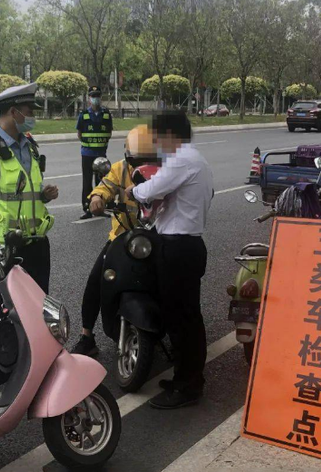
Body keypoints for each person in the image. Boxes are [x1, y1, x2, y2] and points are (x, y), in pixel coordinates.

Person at [126, 111, 214, 409]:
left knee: (181, 319)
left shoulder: (181, 159)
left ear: (170, 135)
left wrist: (133, 190)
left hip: (177, 248)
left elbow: (151, 189)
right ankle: (186, 378)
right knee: (188, 317)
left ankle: (188, 386)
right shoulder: (197, 159)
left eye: (158, 136)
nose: (156, 143)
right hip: (188, 246)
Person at [0, 83, 59, 321]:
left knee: (39, 311)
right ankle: (4, 356)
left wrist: (43, 195)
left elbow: (22, 193)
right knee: (7, 314)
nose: (32, 117)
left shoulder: (30, 145)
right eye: (29, 111)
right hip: (6, 248)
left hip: (38, 244)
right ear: (13, 112)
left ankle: (39, 357)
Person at [71, 125, 157, 356]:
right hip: (122, 236)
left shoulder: (163, 171)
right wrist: (97, 198)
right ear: (128, 156)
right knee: (95, 281)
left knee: (175, 280)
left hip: (155, 237)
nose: (141, 165)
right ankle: (87, 336)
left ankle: (178, 333)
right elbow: (104, 187)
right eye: (137, 159)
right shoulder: (119, 169)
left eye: (147, 159)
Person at [76, 85, 113, 220]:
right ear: (89, 98)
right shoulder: (84, 114)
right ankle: (87, 208)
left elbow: (109, 132)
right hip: (87, 153)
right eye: (93, 96)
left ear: (100, 98)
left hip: (101, 154)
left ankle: (101, 207)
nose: (95, 98)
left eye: (97, 96)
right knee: (87, 182)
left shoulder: (106, 114)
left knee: (101, 181)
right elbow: (79, 133)